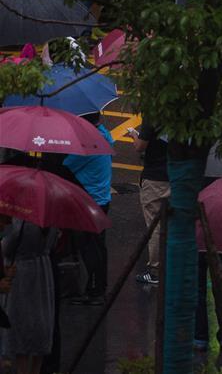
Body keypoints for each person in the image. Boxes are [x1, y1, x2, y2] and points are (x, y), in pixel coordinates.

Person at [63, 112, 113, 305]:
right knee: (98, 247)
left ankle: (95, 291)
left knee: (89, 248)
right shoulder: (103, 134)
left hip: (88, 201)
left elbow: (66, 166)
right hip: (101, 199)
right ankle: (98, 287)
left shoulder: (87, 144)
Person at [2, 220, 57, 374]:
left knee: (22, 326)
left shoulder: (21, 219)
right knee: (41, 323)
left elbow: (8, 247)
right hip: (43, 271)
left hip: (21, 273)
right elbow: (52, 244)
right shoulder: (49, 218)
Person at [129, 123, 169, 285]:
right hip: (176, 176)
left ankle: (155, 271)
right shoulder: (183, 113)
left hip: (155, 178)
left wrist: (134, 135)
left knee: (155, 225)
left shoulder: (153, 117)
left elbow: (140, 146)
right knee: (173, 223)